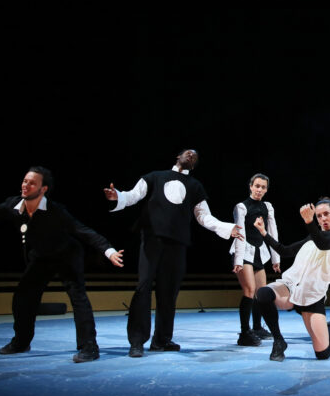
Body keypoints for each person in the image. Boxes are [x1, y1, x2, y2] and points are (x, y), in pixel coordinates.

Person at [0, 166, 124, 363]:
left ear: (43, 189)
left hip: (67, 255)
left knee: (78, 297)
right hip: (41, 257)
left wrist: (109, 251)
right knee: (23, 297)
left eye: (32, 183)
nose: (26, 185)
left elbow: (83, 231)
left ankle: (89, 347)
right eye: (25, 181)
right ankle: (21, 342)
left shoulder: (56, 211)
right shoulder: (12, 206)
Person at [104, 149, 242, 358]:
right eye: (188, 153)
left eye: (195, 156)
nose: (191, 155)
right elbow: (133, 196)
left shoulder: (195, 186)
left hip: (177, 244)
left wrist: (226, 227)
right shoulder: (155, 176)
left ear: (193, 165)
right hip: (152, 239)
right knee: (143, 287)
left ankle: (162, 340)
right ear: (178, 157)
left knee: (169, 292)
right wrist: (118, 196)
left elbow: (204, 217)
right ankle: (137, 341)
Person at [252, 199, 330, 361]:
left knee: (322, 354)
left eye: (326, 214)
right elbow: (285, 251)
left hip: (312, 295)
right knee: (263, 294)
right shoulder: (312, 236)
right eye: (318, 216)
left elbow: (323, 244)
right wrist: (263, 233)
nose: (323, 218)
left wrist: (309, 222)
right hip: (290, 287)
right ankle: (279, 341)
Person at [230, 173, 280, 346]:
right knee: (249, 291)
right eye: (257, 186)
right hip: (243, 251)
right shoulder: (241, 207)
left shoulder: (268, 206)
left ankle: (257, 327)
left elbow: (272, 232)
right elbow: (239, 233)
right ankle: (244, 333)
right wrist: (238, 261)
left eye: (263, 187)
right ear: (250, 186)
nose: (260, 189)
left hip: (260, 252)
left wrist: (276, 258)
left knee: (262, 292)